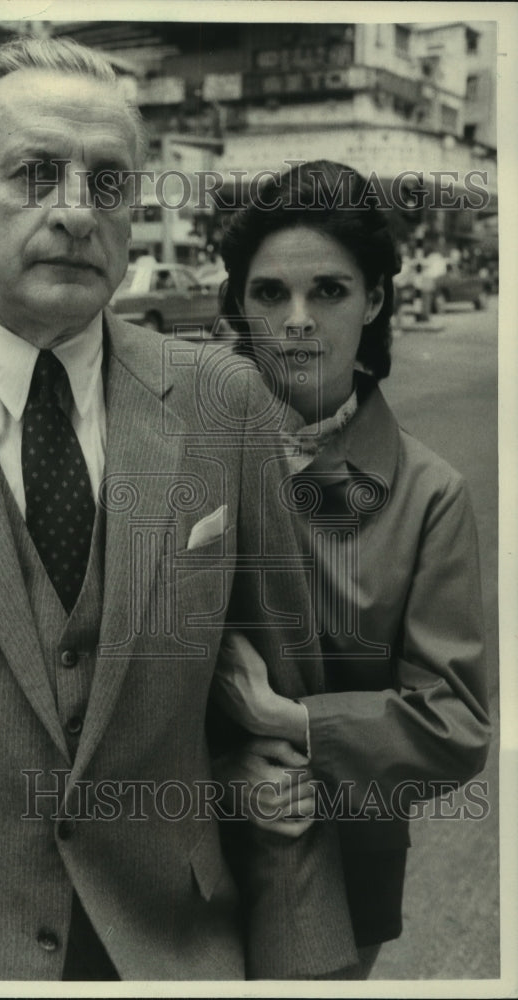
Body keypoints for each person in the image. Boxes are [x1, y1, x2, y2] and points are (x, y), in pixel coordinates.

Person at [0, 43, 355, 981]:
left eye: (108, 182)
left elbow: (280, 718)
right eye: (36, 173)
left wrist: (301, 963)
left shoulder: (221, 400)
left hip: (178, 950)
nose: (77, 209)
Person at [211, 159, 491, 978]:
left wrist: (288, 722)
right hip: (173, 862)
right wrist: (214, 773)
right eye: (269, 294)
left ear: (372, 300)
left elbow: (455, 724)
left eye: (327, 292)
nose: (296, 321)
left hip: (339, 864)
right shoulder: (175, 456)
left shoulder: (429, 493)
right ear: (239, 305)